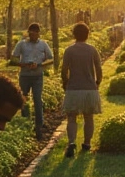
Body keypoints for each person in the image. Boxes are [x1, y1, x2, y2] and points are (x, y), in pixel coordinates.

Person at [60, 23, 103, 158]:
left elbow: (64, 70)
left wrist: (65, 83)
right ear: (87, 34)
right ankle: (87, 143)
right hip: (89, 88)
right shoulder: (92, 50)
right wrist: (97, 82)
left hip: (73, 88)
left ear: (74, 35)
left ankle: (72, 142)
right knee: (88, 117)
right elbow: (99, 69)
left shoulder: (69, 50)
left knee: (71, 117)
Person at [11, 23, 53, 137]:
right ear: (28, 33)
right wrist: (22, 64)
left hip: (37, 76)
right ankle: (25, 122)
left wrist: (39, 65)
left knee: (37, 100)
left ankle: (39, 124)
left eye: (36, 33)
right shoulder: (22, 44)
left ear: (39, 33)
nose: (33, 36)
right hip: (24, 76)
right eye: (31, 33)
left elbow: (51, 59)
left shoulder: (43, 44)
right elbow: (13, 58)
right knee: (23, 99)